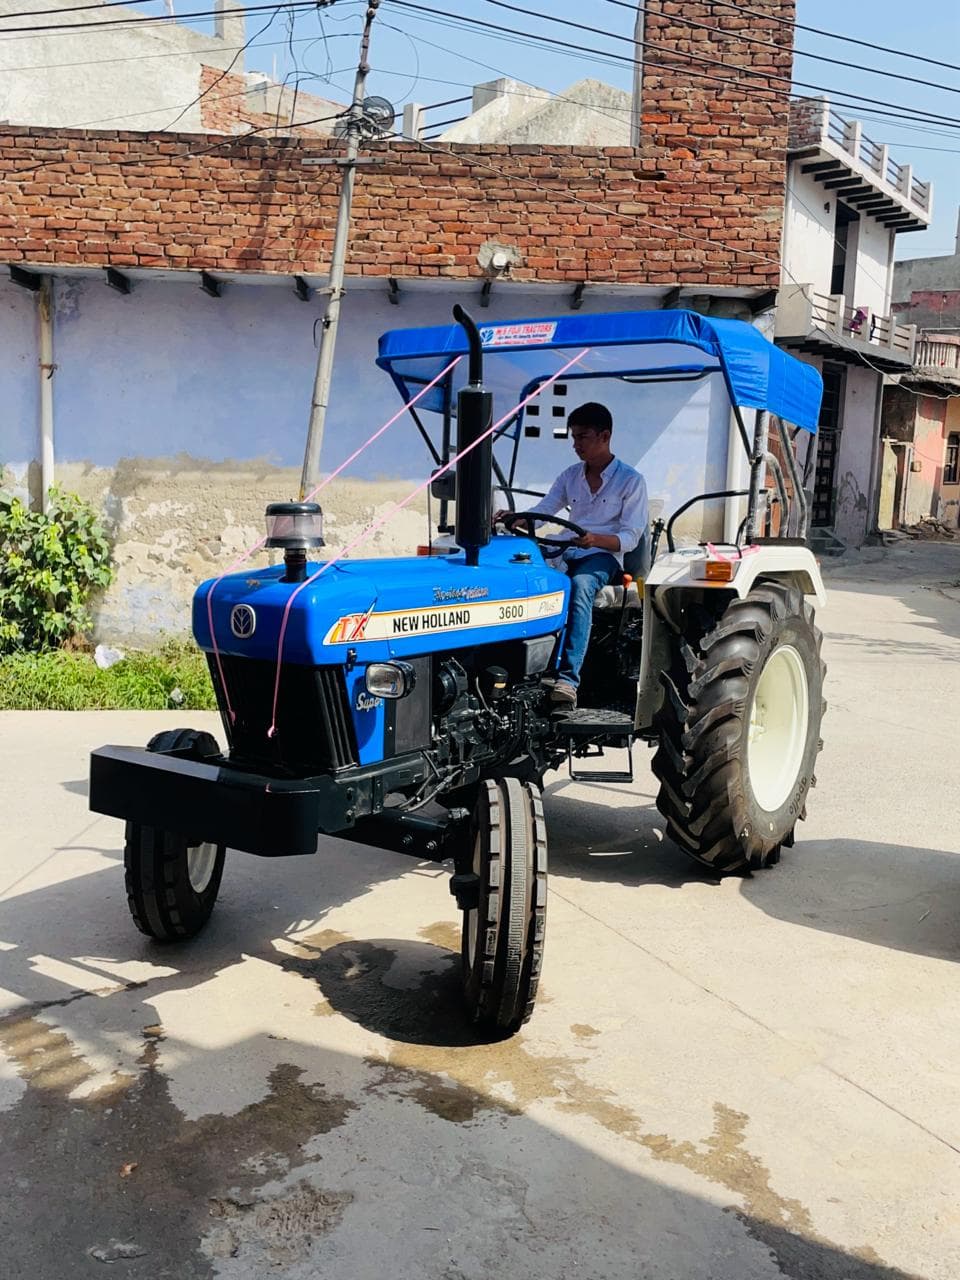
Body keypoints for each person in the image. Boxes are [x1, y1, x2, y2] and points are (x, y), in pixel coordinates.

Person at [497, 401, 648, 707]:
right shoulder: (570, 476)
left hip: (602, 557)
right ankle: (517, 666)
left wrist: (594, 539)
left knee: (579, 587)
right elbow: (544, 511)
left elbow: (629, 538)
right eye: (574, 437)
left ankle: (567, 680)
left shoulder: (631, 481)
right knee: (522, 576)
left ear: (604, 436)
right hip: (565, 549)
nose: (576, 445)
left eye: (583, 437)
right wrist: (514, 517)